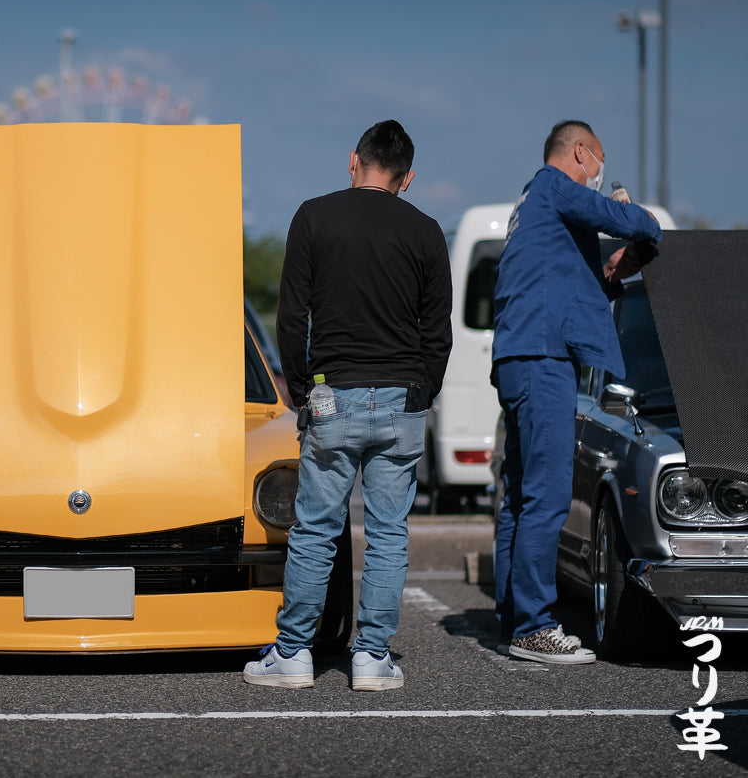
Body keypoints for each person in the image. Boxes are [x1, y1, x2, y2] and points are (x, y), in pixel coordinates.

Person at [244, 120, 452, 691]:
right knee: (388, 533)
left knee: (315, 530)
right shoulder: (427, 231)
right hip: (401, 396)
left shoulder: (314, 216)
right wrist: (421, 392)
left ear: (352, 160)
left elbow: (291, 317)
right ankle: (371, 657)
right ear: (406, 178)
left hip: (332, 391)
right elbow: (438, 331)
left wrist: (301, 390)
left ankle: (292, 655)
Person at [490, 120, 662, 664]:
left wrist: (611, 269)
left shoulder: (533, 205)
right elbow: (629, 220)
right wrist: (640, 217)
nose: (601, 173)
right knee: (546, 496)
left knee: (519, 496)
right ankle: (535, 628)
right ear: (581, 152)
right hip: (542, 359)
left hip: (517, 356)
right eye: (600, 161)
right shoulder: (556, 185)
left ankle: (514, 616)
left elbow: (566, 279)